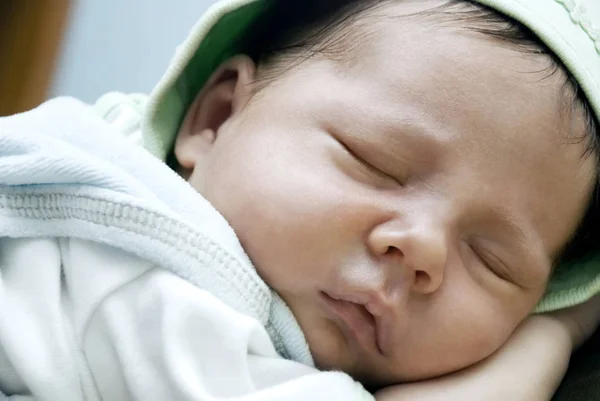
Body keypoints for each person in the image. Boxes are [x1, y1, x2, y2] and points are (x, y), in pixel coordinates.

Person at [0, 0, 599, 400]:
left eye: (492, 260)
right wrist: (557, 335)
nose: (422, 250)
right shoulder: (144, 269)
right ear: (215, 117)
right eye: (375, 162)